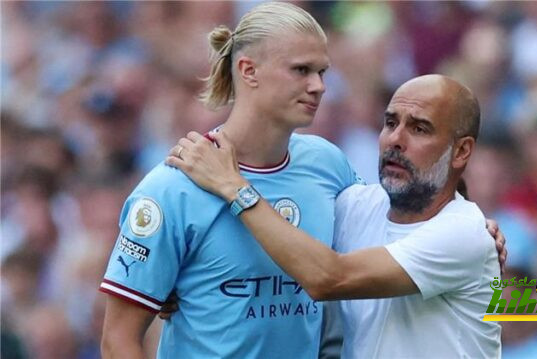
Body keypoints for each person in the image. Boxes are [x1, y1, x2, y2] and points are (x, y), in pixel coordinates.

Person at [165, 74, 502, 358]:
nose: (395, 140)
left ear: (462, 151)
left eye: (419, 128)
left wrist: (232, 185)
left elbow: (328, 278)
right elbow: (279, 236)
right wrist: (190, 279)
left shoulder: (464, 233)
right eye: (390, 123)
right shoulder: (353, 207)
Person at [99, 3, 362, 358]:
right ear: (248, 70)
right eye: (301, 70)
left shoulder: (329, 165)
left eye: (321, 71)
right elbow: (118, 341)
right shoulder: (173, 187)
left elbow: (369, 261)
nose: (318, 86)